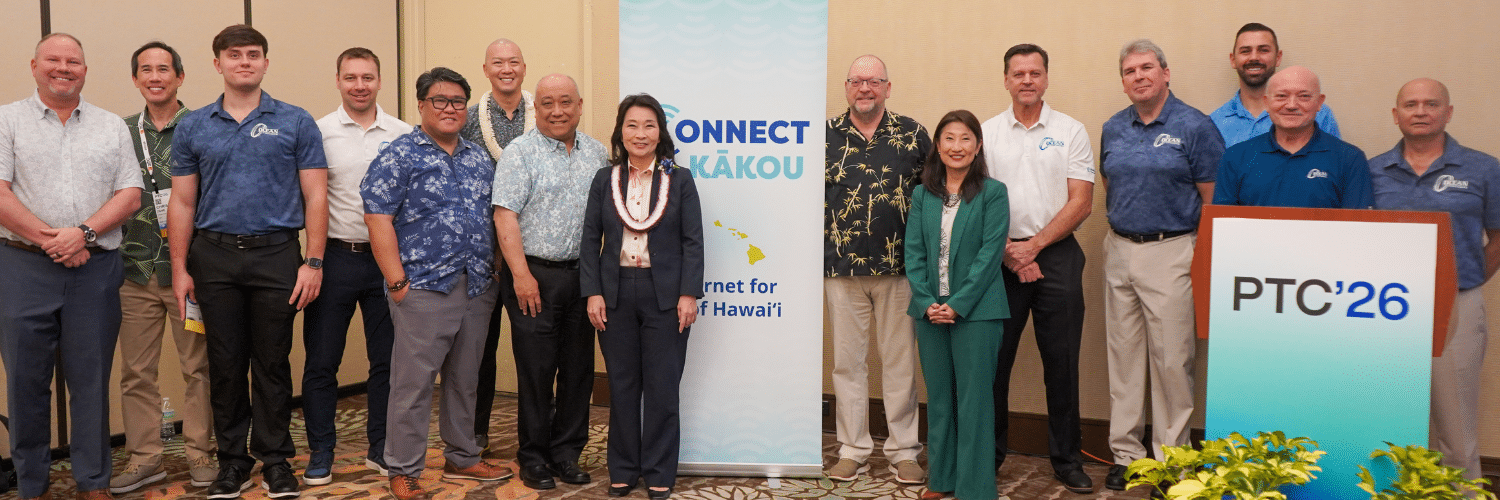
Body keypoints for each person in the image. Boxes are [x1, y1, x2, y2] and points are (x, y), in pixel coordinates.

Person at [169, 24, 328, 500]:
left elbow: (316, 193)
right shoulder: (194, 125)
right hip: (212, 258)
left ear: (264, 62)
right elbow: (181, 204)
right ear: (217, 63)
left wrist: (314, 261)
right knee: (224, 364)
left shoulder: (296, 121)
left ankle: (276, 461)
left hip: (276, 255)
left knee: (274, 364)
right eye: (234, 55)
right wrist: (180, 268)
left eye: (253, 54)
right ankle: (232, 462)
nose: (244, 62)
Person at [0, 32, 143, 500]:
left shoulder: (110, 126)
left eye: (74, 61)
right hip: (22, 269)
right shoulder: (7, 120)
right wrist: (54, 242)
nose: (64, 68)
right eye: (53, 60)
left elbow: (130, 194)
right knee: (25, 382)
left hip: (95, 271)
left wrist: (80, 235)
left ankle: (93, 481)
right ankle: (32, 484)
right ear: (34, 65)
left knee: (90, 381)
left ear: (85, 69)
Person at [363, 66, 513, 500]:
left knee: (465, 378)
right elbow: (377, 218)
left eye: (458, 102)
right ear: (422, 105)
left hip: (477, 286)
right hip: (423, 288)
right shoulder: (399, 155)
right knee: (412, 384)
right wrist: (397, 282)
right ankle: (404, 467)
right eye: (440, 101)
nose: (450, 109)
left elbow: (495, 217)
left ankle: (463, 455)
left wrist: (496, 273)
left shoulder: (477, 158)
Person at [1098, 40, 1223, 492]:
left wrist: (1202, 258)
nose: (1139, 76)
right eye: (1129, 70)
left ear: (1166, 73)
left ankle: (1172, 463)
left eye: (1147, 68)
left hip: (1172, 250)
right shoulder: (1114, 127)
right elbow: (1111, 184)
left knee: (1172, 361)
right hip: (1119, 250)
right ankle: (1127, 455)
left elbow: (1212, 199)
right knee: (1124, 359)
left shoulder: (1195, 126)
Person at [1369, 78, 1500, 480]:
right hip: (1386, 308)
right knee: (1387, 419)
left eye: (1431, 104)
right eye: (1411, 104)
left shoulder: (1483, 168)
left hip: (1456, 305)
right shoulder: (1373, 170)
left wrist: (1469, 279)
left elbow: (1498, 237)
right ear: (1396, 115)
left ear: (1448, 112)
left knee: (1456, 426)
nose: (1421, 111)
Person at [980, 43, 1095, 494]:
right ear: (1005, 79)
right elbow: (975, 199)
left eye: (1035, 72)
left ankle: (1067, 459)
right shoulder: (987, 132)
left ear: (1046, 78)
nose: (1027, 80)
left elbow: (1081, 202)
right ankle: (986, 455)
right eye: (1018, 73)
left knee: (1062, 363)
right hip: (1000, 258)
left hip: (1058, 255)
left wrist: (1035, 246)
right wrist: (1009, 250)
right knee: (994, 363)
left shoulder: (1071, 130)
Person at [581, 93, 705, 500]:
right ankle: (623, 467)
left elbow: (693, 242)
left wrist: (689, 293)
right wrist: (593, 292)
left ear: (660, 132)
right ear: (620, 131)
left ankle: (658, 470)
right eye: (632, 125)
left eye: (649, 125)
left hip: (665, 295)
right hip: (615, 293)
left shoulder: (679, 179)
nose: (640, 133)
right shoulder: (606, 180)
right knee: (622, 385)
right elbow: (589, 241)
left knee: (663, 387)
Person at [111, 40, 218, 494]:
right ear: (136, 79)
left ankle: (200, 453)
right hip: (134, 271)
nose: (155, 77)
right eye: (146, 70)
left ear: (180, 76)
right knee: (137, 373)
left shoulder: (202, 127)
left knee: (198, 368)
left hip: (188, 274)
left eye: (164, 69)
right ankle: (145, 458)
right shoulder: (118, 131)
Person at [302, 47, 412, 485]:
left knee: (387, 363)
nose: (360, 85)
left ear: (379, 81)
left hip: (387, 264)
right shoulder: (318, 132)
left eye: (367, 77)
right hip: (334, 260)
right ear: (338, 81)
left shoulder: (403, 134)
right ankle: (321, 452)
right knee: (322, 361)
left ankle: (380, 448)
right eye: (351, 77)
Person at [492, 73, 607, 491]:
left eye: (564, 102)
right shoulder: (519, 153)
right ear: (535, 108)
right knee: (537, 372)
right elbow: (504, 215)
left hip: (583, 277)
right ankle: (535, 456)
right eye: (546, 103)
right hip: (532, 276)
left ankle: (566, 453)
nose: (556, 111)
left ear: (578, 105)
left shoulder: (597, 153)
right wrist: (520, 276)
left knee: (577, 371)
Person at [823, 54, 929, 485]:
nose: (865, 88)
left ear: (888, 86)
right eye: (857, 81)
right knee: (848, 364)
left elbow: (932, 199)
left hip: (899, 269)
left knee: (900, 364)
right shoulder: (825, 136)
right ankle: (853, 448)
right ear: (847, 86)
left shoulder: (914, 134)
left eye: (874, 81)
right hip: (840, 268)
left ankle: (904, 450)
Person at [906, 110, 1009, 500]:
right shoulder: (922, 194)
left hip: (978, 313)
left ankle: (974, 487)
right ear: (938, 145)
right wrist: (929, 301)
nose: (957, 147)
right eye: (949, 138)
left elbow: (989, 255)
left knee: (974, 401)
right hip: (929, 313)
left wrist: (958, 304)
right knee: (941, 398)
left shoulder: (993, 192)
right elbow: (913, 253)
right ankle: (942, 479)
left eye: (965, 138)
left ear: (978, 146)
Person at [465, 37, 536, 452]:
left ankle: (536, 440)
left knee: (533, 351)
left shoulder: (543, 115)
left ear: (524, 68)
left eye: (514, 61)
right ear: (486, 69)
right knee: (479, 349)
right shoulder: (471, 118)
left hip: (534, 251)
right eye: (498, 62)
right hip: (482, 255)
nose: (506, 68)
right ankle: (474, 434)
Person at [1212, 66, 1372, 209]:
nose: (1291, 105)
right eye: (1281, 96)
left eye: (1303, 96)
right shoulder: (1235, 157)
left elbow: (1356, 230)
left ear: (1319, 102)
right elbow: (1222, 226)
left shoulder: (1350, 159)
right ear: (1266, 103)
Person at [1210, 23, 1340, 147]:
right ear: (1233, 60)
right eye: (1245, 51)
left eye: (1263, 50)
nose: (1254, 57)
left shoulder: (1317, 115)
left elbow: (1335, 165)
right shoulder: (1214, 123)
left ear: (1278, 57)